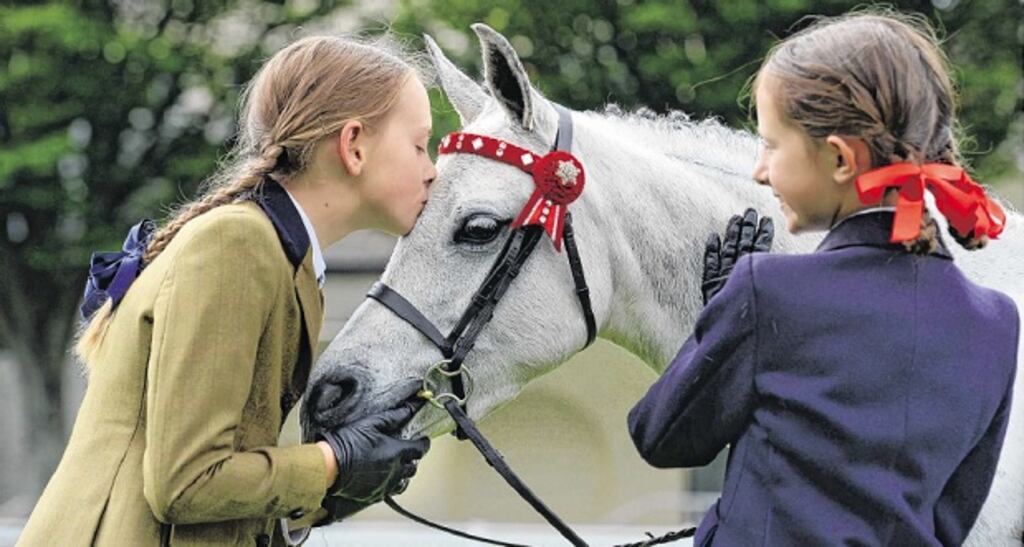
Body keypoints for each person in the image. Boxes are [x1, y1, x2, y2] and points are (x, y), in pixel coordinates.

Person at [18, 34, 437, 547]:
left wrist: (336, 491)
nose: (431, 170)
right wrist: (333, 462)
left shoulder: (284, 256)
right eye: (419, 145)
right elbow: (186, 482)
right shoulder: (237, 244)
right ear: (353, 146)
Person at [627, 11, 1018, 546]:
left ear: (839, 158)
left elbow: (661, 437)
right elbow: (951, 519)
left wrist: (715, 320)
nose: (759, 171)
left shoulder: (766, 290)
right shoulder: (997, 322)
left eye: (769, 145)